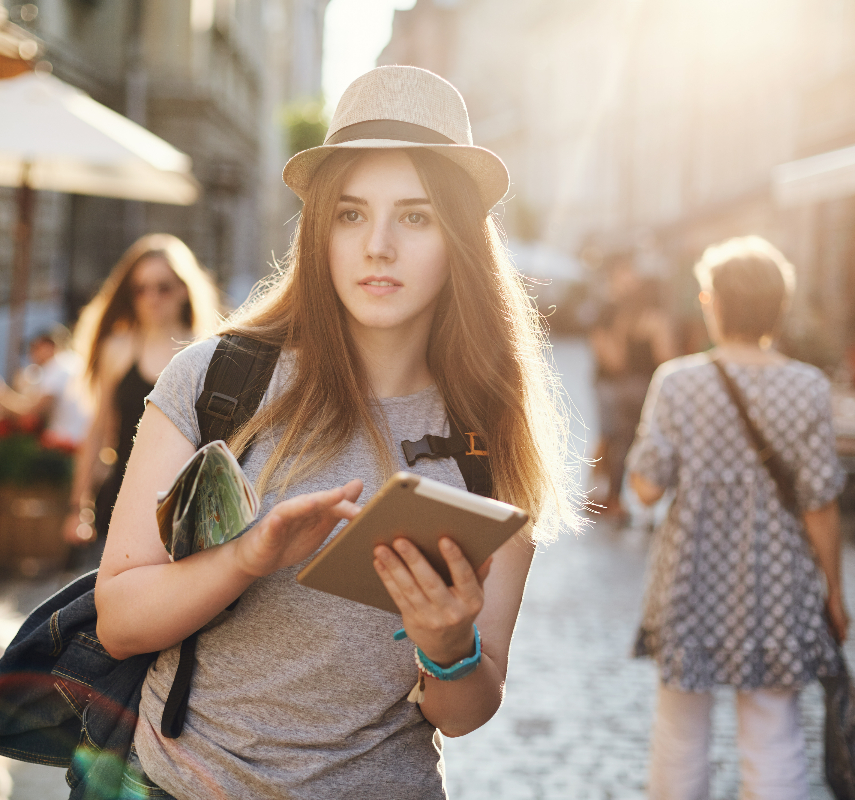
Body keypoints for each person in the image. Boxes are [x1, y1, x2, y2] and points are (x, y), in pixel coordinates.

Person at [94, 66, 577, 799]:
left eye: (414, 216)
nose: (377, 245)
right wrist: (245, 558)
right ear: (320, 229)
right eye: (351, 214)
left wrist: (449, 648)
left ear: (459, 239)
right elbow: (118, 621)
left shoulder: (489, 428)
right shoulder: (215, 379)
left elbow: (470, 707)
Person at [626, 236, 848, 800]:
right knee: (774, 735)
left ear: (714, 303)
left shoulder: (677, 382)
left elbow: (646, 490)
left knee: (680, 733)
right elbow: (820, 503)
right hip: (778, 581)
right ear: (779, 308)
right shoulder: (809, 387)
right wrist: (836, 594)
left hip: (691, 577)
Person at [62, 234, 220, 550]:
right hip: (123, 499)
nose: (152, 297)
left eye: (163, 287)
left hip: (184, 510)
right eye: (140, 289)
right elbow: (96, 432)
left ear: (184, 291)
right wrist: (77, 507)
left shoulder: (208, 353)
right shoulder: (118, 350)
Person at [590, 260, 675, 518]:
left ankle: (608, 496)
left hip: (618, 386)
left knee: (613, 440)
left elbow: (615, 358)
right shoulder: (655, 317)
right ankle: (629, 496)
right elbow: (666, 355)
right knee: (634, 441)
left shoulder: (621, 316)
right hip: (643, 387)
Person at [0, 326, 89, 449]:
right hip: (80, 438)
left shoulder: (57, 368)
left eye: (34, 348)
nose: (31, 355)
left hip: (68, 442)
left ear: (49, 346)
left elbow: (31, 412)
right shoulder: (71, 362)